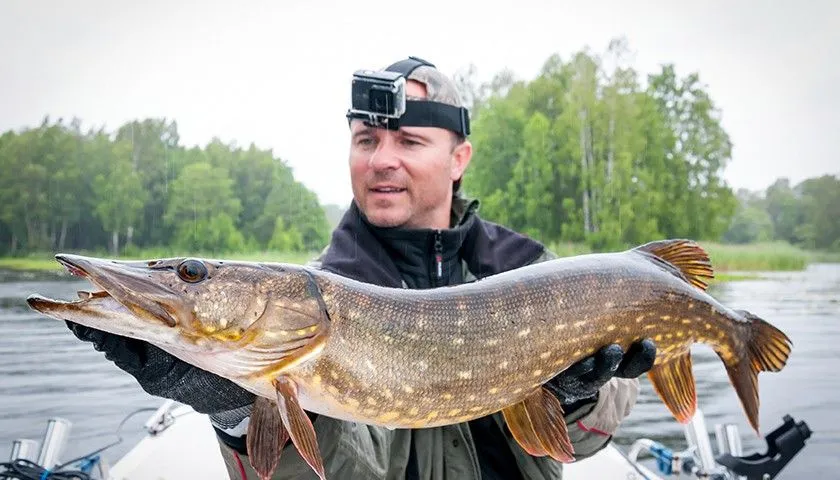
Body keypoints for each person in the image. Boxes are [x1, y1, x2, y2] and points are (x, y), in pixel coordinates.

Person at [67, 56, 657, 479]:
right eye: (366, 139)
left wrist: (576, 397)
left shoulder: (532, 271)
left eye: (408, 141)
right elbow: (341, 472)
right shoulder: (311, 299)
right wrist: (238, 409)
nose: (382, 160)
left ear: (459, 158)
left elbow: (579, 446)